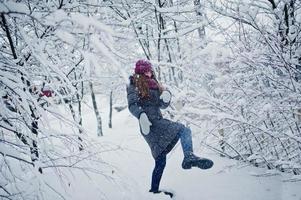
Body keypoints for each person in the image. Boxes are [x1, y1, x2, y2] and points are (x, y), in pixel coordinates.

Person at [126, 59, 213, 195]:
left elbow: (161, 105)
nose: (149, 73)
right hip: (148, 124)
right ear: (140, 72)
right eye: (146, 71)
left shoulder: (155, 85)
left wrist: (166, 98)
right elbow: (132, 105)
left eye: (150, 70)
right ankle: (189, 157)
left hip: (158, 121)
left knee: (161, 159)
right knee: (183, 130)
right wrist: (141, 115)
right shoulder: (133, 84)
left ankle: (154, 191)